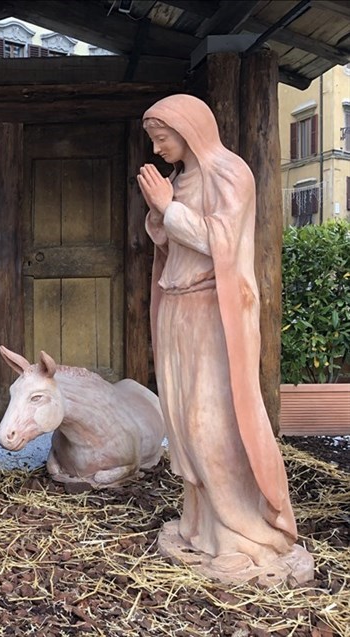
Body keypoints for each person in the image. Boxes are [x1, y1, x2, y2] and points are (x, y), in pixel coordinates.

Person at [136, 94, 311, 583]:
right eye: (153, 137)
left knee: (211, 421)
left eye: (162, 136)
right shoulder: (178, 179)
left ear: (189, 130)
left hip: (213, 312)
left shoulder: (230, 173)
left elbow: (222, 242)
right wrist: (159, 215)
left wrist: (169, 209)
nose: (156, 147)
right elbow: (173, 242)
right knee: (185, 425)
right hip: (177, 311)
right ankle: (203, 528)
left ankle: (244, 533)